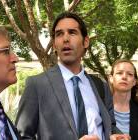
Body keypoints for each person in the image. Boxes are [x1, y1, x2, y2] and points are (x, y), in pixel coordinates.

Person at [15, 12, 126, 140]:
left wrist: (117, 136)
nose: (65, 39)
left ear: (85, 42)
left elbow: (110, 127)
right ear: (55, 44)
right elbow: (22, 137)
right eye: (59, 34)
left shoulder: (101, 86)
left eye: (72, 32)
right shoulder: (37, 85)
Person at [109, 59, 138, 140]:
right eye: (119, 73)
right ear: (111, 78)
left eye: (130, 74)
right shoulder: (100, 108)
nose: (124, 77)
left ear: (134, 81)